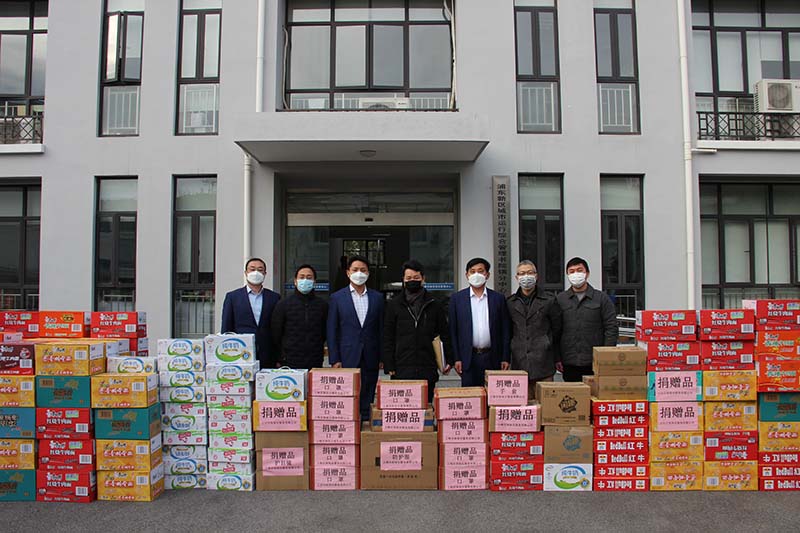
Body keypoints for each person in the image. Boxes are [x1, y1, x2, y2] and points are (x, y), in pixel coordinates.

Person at [382, 259, 454, 403]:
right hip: (402, 366)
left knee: (426, 407)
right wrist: (388, 363)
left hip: (427, 365)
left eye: (416, 277)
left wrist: (449, 359)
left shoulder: (434, 304)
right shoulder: (394, 305)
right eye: (408, 278)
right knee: (404, 407)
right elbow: (388, 336)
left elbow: (444, 333)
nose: (412, 281)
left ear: (423, 279)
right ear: (403, 279)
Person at [327, 255, 384, 421]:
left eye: (363, 270)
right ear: (348, 273)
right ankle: (348, 424)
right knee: (347, 393)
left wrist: (382, 357)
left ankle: (365, 423)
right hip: (347, 354)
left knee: (368, 391)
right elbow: (332, 330)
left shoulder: (377, 298)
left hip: (371, 354)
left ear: (368, 273)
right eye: (355, 270)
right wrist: (334, 358)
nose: (359, 273)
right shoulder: (337, 298)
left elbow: (381, 329)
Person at [448, 257, 511, 387]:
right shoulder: (457, 299)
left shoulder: (498, 299)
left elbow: (505, 330)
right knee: (471, 396)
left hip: (492, 357)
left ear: (487, 275)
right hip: (468, 358)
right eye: (472, 271)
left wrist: (505, 357)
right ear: (467, 275)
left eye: (480, 271)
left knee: (493, 395)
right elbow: (453, 331)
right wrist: (456, 358)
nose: (476, 274)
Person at [555, 257, 619, 382]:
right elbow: (555, 330)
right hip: (569, 362)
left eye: (579, 270)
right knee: (572, 393)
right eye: (571, 271)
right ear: (567, 275)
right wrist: (557, 357)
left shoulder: (601, 298)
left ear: (587, 273)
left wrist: (606, 354)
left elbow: (611, 328)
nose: (576, 274)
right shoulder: (560, 299)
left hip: (594, 361)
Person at [507, 260, 562, 400]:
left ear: (536, 276)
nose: (526, 276)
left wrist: (547, 344)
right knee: (524, 407)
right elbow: (508, 331)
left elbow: (557, 328)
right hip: (519, 363)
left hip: (543, 363)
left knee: (546, 405)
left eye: (530, 272)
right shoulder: (510, 302)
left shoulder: (549, 300)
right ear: (517, 277)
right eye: (522, 273)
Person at [221, 257, 281, 369]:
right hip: (240, 353)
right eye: (252, 269)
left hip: (268, 354)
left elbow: (278, 329)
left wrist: (279, 357)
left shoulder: (274, 298)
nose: (256, 273)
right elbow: (226, 327)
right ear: (246, 273)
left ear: (265, 274)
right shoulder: (233, 297)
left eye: (260, 270)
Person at [270, 264, 328, 370]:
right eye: (301, 277)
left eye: (309, 277)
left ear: (314, 282)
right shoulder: (283, 304)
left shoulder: (322, 305)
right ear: (295, 281)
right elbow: (276, 333)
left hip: (315, 359)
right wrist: (279, 357)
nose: (305, 280)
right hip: (289, 360)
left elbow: (324, 332)